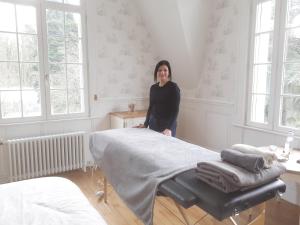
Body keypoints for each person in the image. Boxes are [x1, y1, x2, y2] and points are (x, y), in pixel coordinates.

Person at [136, 60, 180, 137]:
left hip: (167, 125)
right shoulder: (153, 88)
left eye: (165, 70)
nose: (162, 72)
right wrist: (146, 124)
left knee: (167, 148)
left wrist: (169, 128)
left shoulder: (173, 87)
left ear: (169, 72)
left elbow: (175, 110)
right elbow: (151, 107)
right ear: (156, 72)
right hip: (153, 123)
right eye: (160, 70)